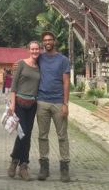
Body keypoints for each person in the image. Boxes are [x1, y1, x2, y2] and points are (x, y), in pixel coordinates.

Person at [36, 31, 71, 182]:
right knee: (42, 136)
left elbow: (66, 82)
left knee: (62, 136)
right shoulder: (40, 58)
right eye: (45, 40)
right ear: (43, 43)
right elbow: (29, 62)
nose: (47, 42)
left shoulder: (63, 60)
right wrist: (18, 64)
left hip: (58, 103)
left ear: (54, 41)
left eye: (50, 39)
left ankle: (64, 168)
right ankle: (44, 167)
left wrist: (65, 103)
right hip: (42, 102)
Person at [7, 41, 41, 181]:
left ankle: (21, 165)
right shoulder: (21, 64)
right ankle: (18, 162)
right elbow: (14, 86)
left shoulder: (40, 66)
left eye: (37, 49)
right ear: (28, 50)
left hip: (32, 104)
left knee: (27, 134)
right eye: (32, 49)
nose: (34, 51)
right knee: (23, 133)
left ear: (39, 50)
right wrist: (12, 104)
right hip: (20, 103)